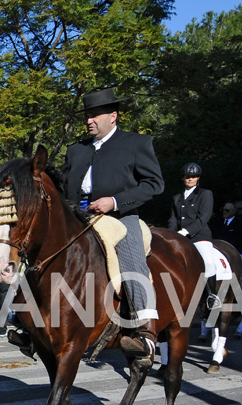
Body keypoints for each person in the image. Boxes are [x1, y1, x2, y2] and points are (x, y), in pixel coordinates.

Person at [63, 87, 164, 360]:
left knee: (131, 250)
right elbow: (64, 186)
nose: (89, 120)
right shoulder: (75, 150)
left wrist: (115, 202)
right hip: (79, 218)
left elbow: (155, 184)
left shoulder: (136, 143)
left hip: (120, 216)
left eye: (95, 115)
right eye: (87, 115)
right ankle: (31, 323)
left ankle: (146, 333)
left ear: (114, 116)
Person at [168, 162, 221, 309]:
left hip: (199, 236)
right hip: (179, 237)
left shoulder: (205, 194)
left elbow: (203, 218)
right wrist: (171, 234)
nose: (190, 179)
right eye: (187, 176)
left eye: (194, 176)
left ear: (198, 178)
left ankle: (212, 295)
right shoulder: (176, 197)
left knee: (208, 262)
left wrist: (186, 232)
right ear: (183, 178)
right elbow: (173, 219)